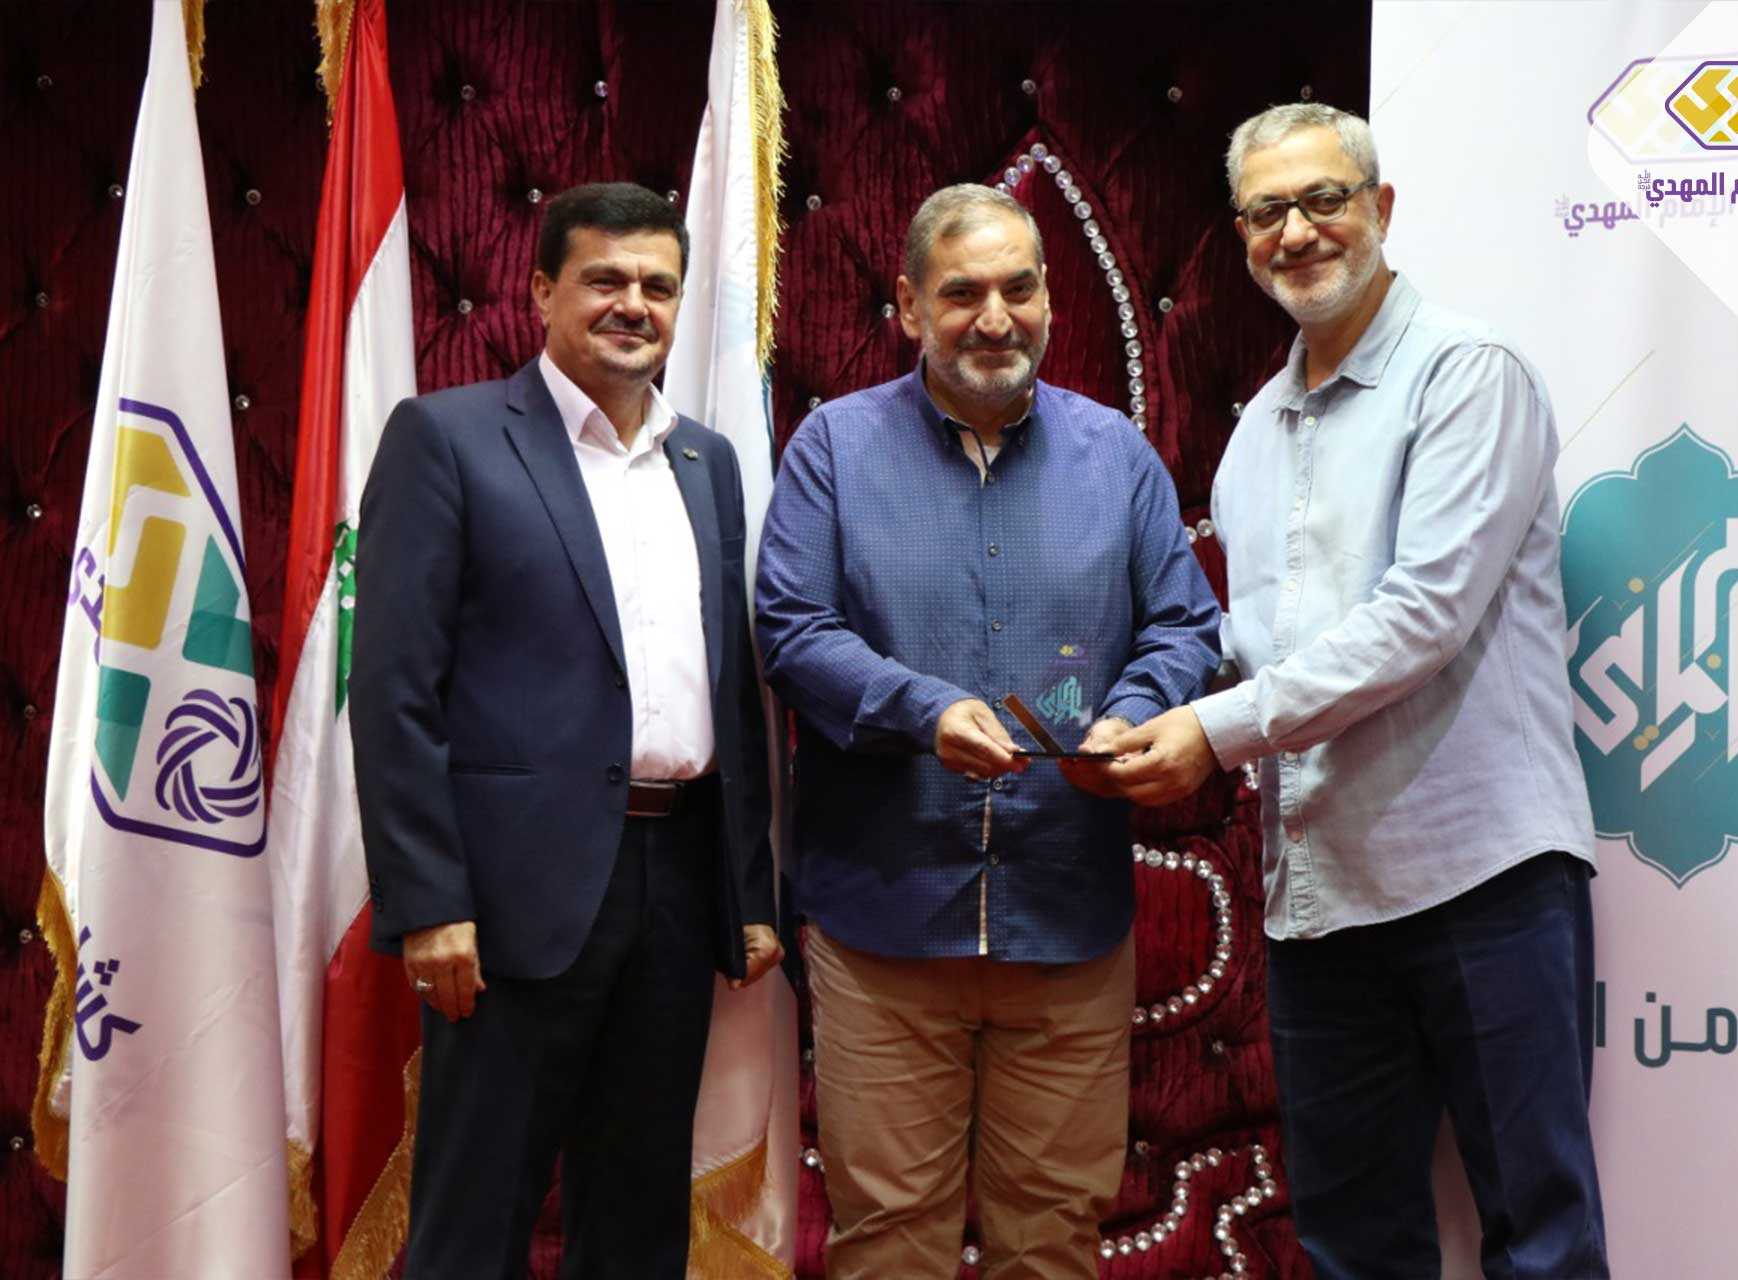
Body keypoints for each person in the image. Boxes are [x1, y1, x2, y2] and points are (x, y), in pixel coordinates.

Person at [1107, 104, 1610, 1278]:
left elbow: (1421, 616)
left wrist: (1212, 731)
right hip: (1321, 898)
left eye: (1324, 199)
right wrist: (1132, 702)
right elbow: (1252, 644)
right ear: (1243, 237)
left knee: (1540, 1233)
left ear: (1381, 208)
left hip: (1480, 873)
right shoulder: (1254, 434)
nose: (1297, 232)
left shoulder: (1468, 374)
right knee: (1351, 1243)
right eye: (1266, 211)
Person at [755, 184, 1219, 1277]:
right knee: (889, 1240)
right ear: (910, 306)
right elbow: (791, 629)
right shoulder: (834, 447)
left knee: (1053, 1237)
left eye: (1019, 288)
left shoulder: (1115, 453)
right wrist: (922, 711)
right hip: (884, 923)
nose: (995, 317)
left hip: (1067, 919)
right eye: (962, 293)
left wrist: (1132, 713)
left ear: (1051, 296)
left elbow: (1184, 624)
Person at [349, 182, 782, 1280]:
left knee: (638, 1221)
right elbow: (394, 690)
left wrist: (747, 894)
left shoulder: (709, 462)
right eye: (605, 280)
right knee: (474, 1220)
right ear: (542, 291)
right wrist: (428, 900)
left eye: (658, 286)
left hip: (676, 887)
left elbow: (727, 686)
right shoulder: (447, 438)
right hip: (507, 903)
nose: (634, 304)